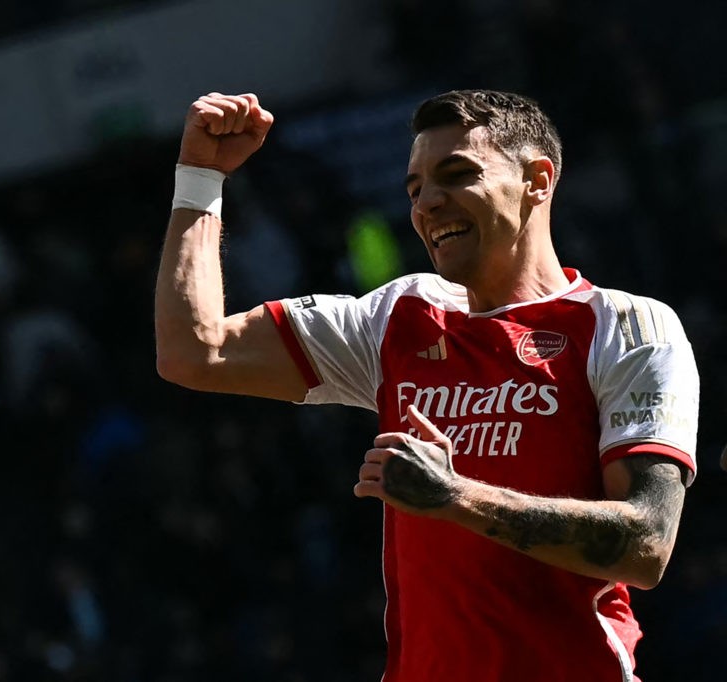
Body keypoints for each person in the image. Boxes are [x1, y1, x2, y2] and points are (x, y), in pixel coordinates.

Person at [154, 90, 700, 681]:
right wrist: (200, 176)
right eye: (415, 189)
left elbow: (646, 543)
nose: (428, 203)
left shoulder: (626, 326)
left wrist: (455, 497)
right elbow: (195, 352)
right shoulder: (397, 317)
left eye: (457, 174)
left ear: (537, 180)